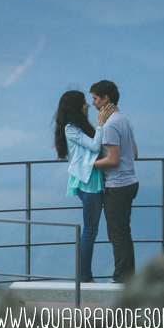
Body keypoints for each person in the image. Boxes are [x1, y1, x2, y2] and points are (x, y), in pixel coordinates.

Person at [53, 89, 115, 283]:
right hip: (88, 184)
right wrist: (100, 123)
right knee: (90, 231)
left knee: (91, 230)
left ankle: (85, 276)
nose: (88, 105)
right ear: (75, 107)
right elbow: (95, 147)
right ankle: (85, 277)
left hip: (93, 182)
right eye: (84, 102)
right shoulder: (71, 128)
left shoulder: (78, 127)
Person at [90, 79, 139, 282]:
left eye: (95, 98)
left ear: (105, 99)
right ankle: (129, 277)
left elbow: (113, 159)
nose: (93, 103)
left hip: (117, 186)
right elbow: (135, 153)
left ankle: (120, 279)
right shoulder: (124, 118)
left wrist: (88, 165)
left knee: (117, 235)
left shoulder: (110, 125)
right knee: (124, 233)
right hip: (130, 182)